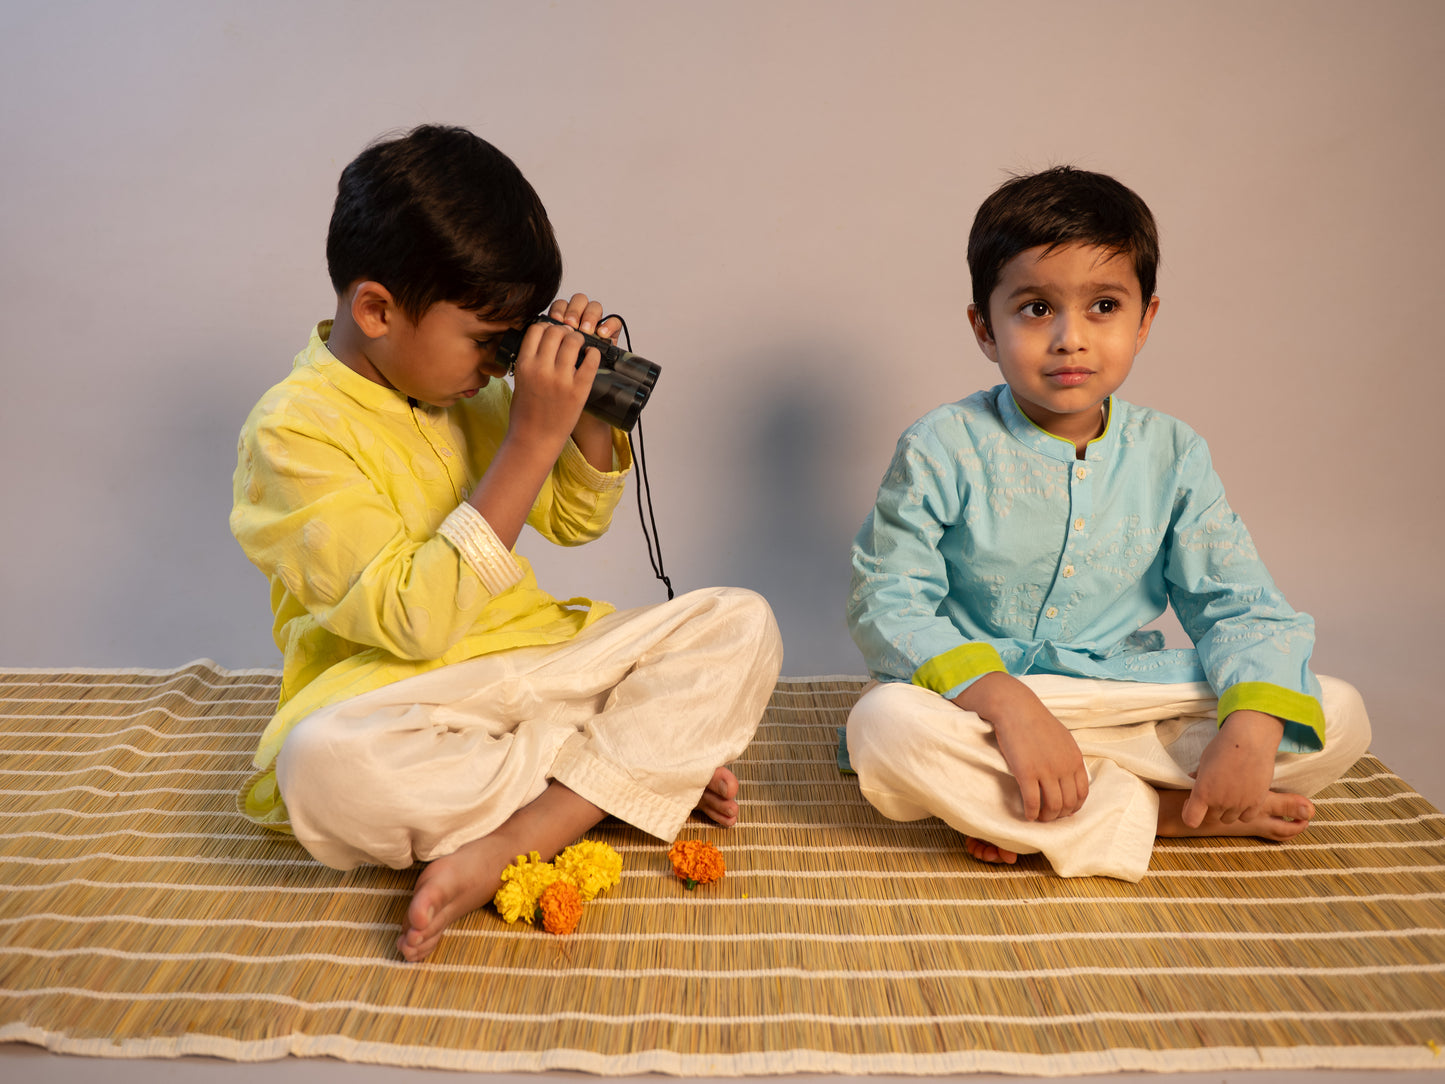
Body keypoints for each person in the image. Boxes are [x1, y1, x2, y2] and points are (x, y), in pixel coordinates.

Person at [231, 125, 781, 961]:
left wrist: (585, 417)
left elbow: (572, 519)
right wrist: (529, 439)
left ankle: (536, 816)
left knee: (740, 622)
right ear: (377, 310)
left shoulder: (466, 386)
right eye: (483, 340)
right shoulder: (291, 433)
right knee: (323, 771)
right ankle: (610, 773)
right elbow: (411, 622)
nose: (495, 365)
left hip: (539, 659)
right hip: (397, 695)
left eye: (507, 342)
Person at [845, 167, 1369, 882]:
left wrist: (1247, 729)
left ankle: (1041, 811)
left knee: (1335, 712)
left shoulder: (1172, 453)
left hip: (1124, 694)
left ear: (1144, 320)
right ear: (982, 327)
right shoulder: (942, 445)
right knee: (884, 726)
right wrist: (1008, 705)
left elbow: (1241, 605)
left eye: (1101, 306)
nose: (1069, 338)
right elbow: (887, 601)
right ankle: (1160, 817)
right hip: (987, 711)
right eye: (1034, 309)